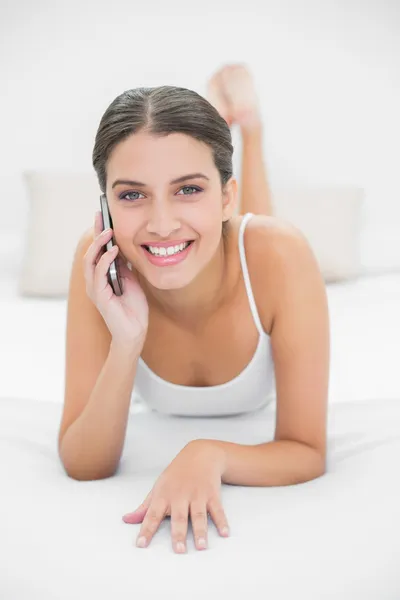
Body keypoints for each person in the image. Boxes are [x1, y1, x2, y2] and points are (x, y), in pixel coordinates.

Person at [58, 64, 330, 555]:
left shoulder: (283, 256)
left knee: (260, 232)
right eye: (132, 195)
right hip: (218, 246)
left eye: (188, 188)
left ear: (226, 194)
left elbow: (307, 451)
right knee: (219, 236)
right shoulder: (99, 263)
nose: (161, 223)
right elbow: (83, 464)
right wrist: (126, 340)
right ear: (106, 208)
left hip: (253, 251)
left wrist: (210, 453)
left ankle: (251, 128)